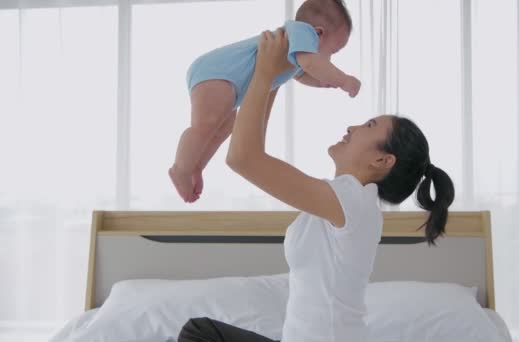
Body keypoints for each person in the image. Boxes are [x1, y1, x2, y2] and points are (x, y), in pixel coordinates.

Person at [177, 28, 455, 342]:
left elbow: (243, 158)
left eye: (369, 126)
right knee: (200, 332)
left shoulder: (352, 200)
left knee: (199, 334)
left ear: (383, 160)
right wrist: (272, 78)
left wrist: (266, 72)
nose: (353, 127)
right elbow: (252, 152)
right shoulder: (347, 201)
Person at [169, 0, 360, 203]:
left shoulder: (296, 51)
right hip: (217, 73)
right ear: (318, 33)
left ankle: (196, 165)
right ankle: (180, 168)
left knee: (221, 129)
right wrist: (343, 80)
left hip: (227, 83)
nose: (329, 59)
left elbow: (301, 74)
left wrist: (322, 81)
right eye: (334, 51)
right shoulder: (303, 33)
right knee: (205, 124)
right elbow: (311, 63)